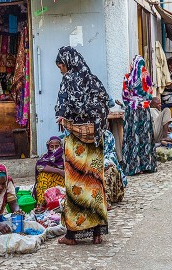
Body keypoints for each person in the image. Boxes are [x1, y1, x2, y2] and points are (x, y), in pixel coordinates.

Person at [55, 46, 109, 245]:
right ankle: (96, 233)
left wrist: (64, 116)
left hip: (77, 141)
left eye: (60, 65)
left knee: (75, 185)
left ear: (66, 63)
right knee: (94, 184)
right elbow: (105, 102)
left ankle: (71, 235)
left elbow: (62, 109)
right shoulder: (93, 79)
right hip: (95, 140)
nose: (60, 69)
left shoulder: (68, 80)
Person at [121, 55, 157, 176]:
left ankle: (133, 166)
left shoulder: (127, 78)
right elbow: (150, 93)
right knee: (144, 137)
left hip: (131, 112)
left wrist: (132, 102)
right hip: (144, 111)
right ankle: (147, 165)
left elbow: (124, 96)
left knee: (133, 136)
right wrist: (143, 101)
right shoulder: (145, 76)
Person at [33, 136, 65, 208]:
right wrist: (59, 171)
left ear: (61, 147)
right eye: (51, 147)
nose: (54, 149)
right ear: (48, 147)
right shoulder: (44, 158)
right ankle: (42, 204)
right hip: (46, 183)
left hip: (58, 184)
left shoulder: (64, 161)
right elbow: (40, 167)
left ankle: (60, 203)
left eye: (57, 146)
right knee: (43, 176)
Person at [104, 130, 127, 210]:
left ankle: (105, 199)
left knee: (111, 169)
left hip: (105, 168)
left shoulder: (107, 135)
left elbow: (110, 155)